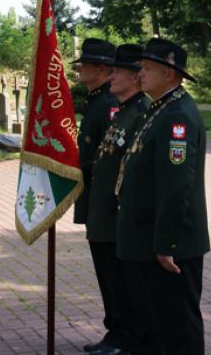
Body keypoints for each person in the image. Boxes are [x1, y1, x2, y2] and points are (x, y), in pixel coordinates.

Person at [116, 38, 209, 355]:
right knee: (158, 326)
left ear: (170, 74)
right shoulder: (159, 109)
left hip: (169, 246)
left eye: (146, 68)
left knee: (177, 329)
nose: (139, 74)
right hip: (149, 239)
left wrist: (166, 243)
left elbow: (176, 185)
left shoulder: (176, 117)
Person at [83, 44, 152, 355]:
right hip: (104, 211)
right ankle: (117, 334)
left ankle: (125, 336)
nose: (112, 76)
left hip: (118, 214)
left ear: (136, 77)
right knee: (110, 279)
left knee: (121, 282)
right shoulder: (123, 111)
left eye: (117, 71)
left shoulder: (140, 112)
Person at [71, 38, 118, 230]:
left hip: (104, 200)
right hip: (92, 195)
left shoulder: (109, 103)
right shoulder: (95, 100)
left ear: (101, 69)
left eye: (84, 64)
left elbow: (110, 156)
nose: (79, 68)